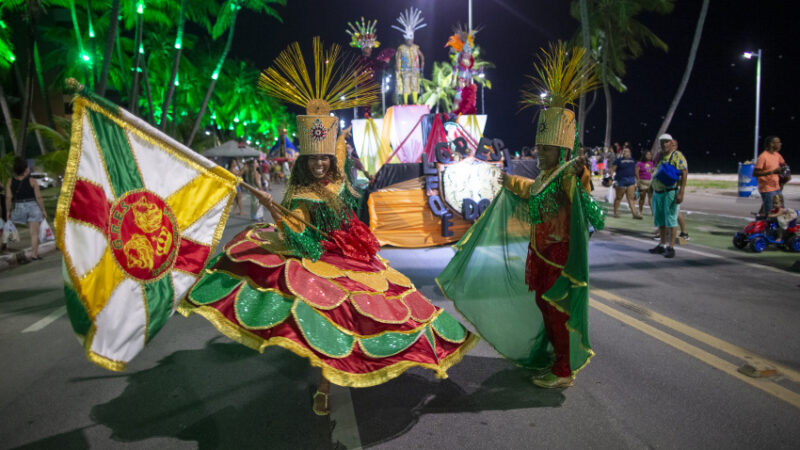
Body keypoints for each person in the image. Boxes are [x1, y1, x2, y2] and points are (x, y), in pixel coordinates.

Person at [181, 38, 477, 416]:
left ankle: (396, 358)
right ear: (305, 160)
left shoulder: (345, 183)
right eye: (314, 159)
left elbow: (357, 216)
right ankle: (325, 385)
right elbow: (300, 237)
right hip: (319, 260)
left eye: (325, 158)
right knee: (328, 317)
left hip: (354, 258)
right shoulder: (301, 194)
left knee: (393, 307)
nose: (321, 164)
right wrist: (283, 219)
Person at [439, 42, 603, 389]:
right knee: (546, 309)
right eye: (539, 147)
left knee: (557, 312)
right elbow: (533, 191)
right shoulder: (546, 176)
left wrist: (581, 177)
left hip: (559, 257)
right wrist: (507, 180)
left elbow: (592, 215)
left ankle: (563, 371)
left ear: (560, 150)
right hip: (540, 253)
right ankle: (555, 358)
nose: (539, 152)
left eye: (546, 149)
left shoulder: (569, 175)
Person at [649, 134, 688, 258]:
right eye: (662, 142)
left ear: (671, 143)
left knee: (671, 219)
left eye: (666, 142)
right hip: (658, 192)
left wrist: (681, 192)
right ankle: (661, 245)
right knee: (660, 220)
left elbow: (684, 172)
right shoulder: (660, 155)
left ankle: (671, 247)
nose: (664, 144)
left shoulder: (677, 155)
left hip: (670, 192)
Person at [5, 157, 48, 260]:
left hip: (18, 207)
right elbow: (38, 197)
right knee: (34, 233)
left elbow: (8, 197)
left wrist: (7, 211)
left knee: (9, 229)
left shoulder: (10, 182)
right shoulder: (32, 181)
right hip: (33, 207)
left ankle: (4, 247)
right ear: (26, 169)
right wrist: (43, 210)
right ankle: (34, 254)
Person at [392, 7, 426, 105]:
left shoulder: (416, 47)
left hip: (415, 69)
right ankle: (405, 102)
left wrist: (422, 62)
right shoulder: (401, 47)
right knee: (406, 85)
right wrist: (397, 65)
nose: (410, 41)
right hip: (405, 69)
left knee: (415, 85)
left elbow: (421, 55)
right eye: (409, 39)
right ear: (406, 39)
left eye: (412, 39)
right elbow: (398, 57)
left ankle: (415, 101)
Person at [753, 136, 787, 216]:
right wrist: (772, 172)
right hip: (767, 189)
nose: (780, 144)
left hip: (776, 188)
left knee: (781, 210)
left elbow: (784, 165)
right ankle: (768, 227)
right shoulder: (763, 157)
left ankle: (761, 219)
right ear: (771, 144)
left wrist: (785, 174)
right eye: (778, 142)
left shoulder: (777, 155)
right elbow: (755, 173)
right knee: (771, 213)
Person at [610, 146, 642, 219]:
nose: (625, 153)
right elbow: (612, 170)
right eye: (624, 151)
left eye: (627, 151)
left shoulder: (633, 161)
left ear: (630, 153)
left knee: (631, 198)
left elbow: (636, 171)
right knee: (619, 198)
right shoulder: (618, 160)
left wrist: (638, 180)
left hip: (631, 181)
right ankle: (615, 212)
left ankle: (634, 214)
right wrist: (610, 179)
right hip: (620, 181)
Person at [636, 150, 655, 216]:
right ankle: (640, 212)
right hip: (642, 182)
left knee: (651, 198)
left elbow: (651, 172)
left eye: (650, 154)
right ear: (644, 155)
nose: (649, 156)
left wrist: (653, 170)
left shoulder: (651, 163)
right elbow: (636, 172)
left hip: (649, 182)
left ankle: (653, 212)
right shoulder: (639, 163)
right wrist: (638, 181)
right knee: (642, 198)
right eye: (647, 154)